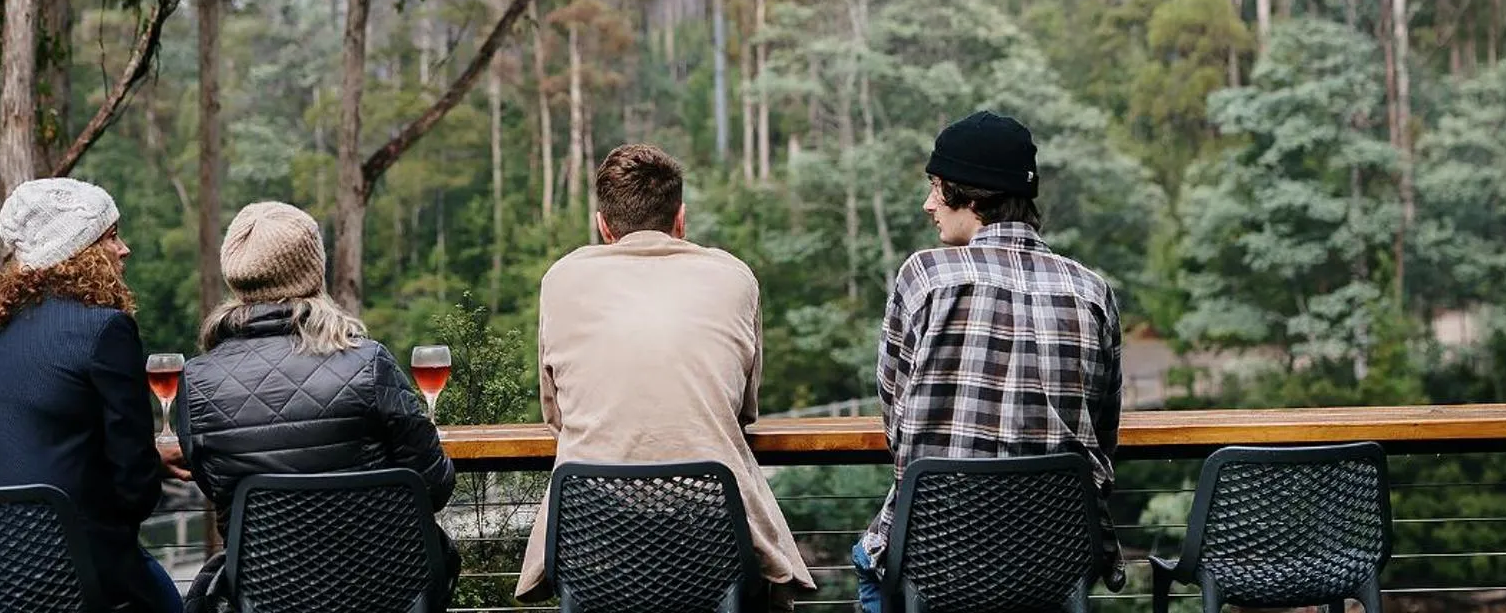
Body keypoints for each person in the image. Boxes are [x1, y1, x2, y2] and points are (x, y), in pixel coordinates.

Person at [517, 143, 812, 611]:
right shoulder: (735, 277)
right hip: (710, 527)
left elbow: (555, 415)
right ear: (681, 220)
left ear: (603, 227)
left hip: (594, 526)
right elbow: (744, 410)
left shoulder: (560, 279)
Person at [852, 111, 1124, 613]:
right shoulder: (1092, 291)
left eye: (937, 187)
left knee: (873, 564)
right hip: (1053, 560)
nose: (928, 203)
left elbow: (896, 421)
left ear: (971, 197)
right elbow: (1104, 433)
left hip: (941, 556)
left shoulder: (925, 276)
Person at [178, 201, 458, 611]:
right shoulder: (368, 362)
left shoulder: (197, 383)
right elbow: (434, 486)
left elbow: (218, 493)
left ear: (235, 278)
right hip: (386, 592)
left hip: (269, 596)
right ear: (314, 271)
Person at [0, 177, 188, 613]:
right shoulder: (106, 328)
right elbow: (135, 492)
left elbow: (21, 437)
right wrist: (142, 465)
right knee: (167, 600)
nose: (123, 249)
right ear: (79, 252)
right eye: (110, 237)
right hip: (55, 568)